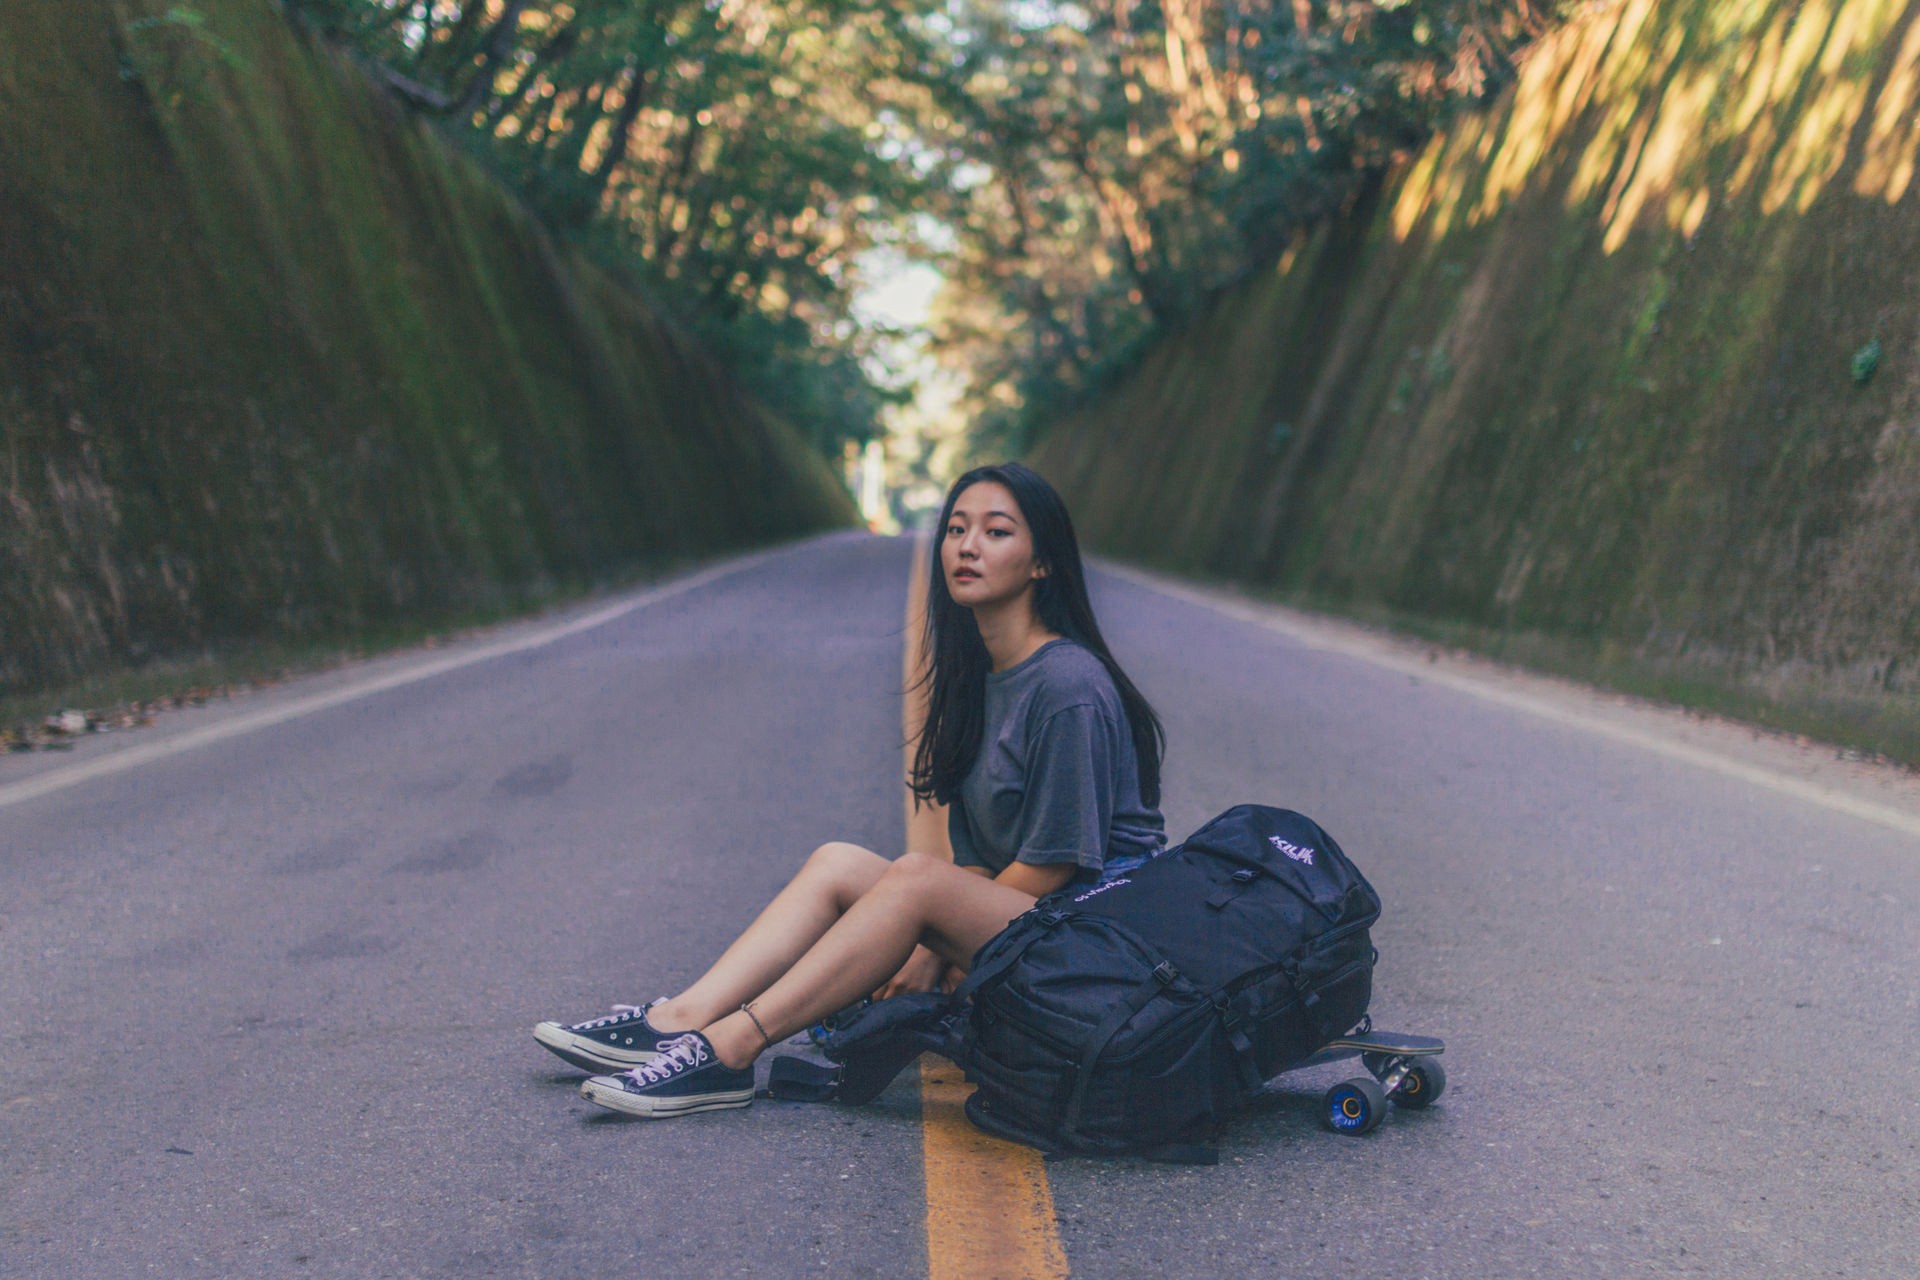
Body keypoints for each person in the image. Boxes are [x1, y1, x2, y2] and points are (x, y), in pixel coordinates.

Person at [533, 462, 1168, 1118]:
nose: (967, 546)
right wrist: (939, 936)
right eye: (955, 529)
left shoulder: (1067, 685)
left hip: (1101, 949)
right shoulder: (977, 679)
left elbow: (1052, 866)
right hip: (1032, 925)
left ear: (1042, 563)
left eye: (997, 531)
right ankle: (680, 1018)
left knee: (916, 880)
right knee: (840, 862)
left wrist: (930, 939)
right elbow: (977, 859)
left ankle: (728, 1051)